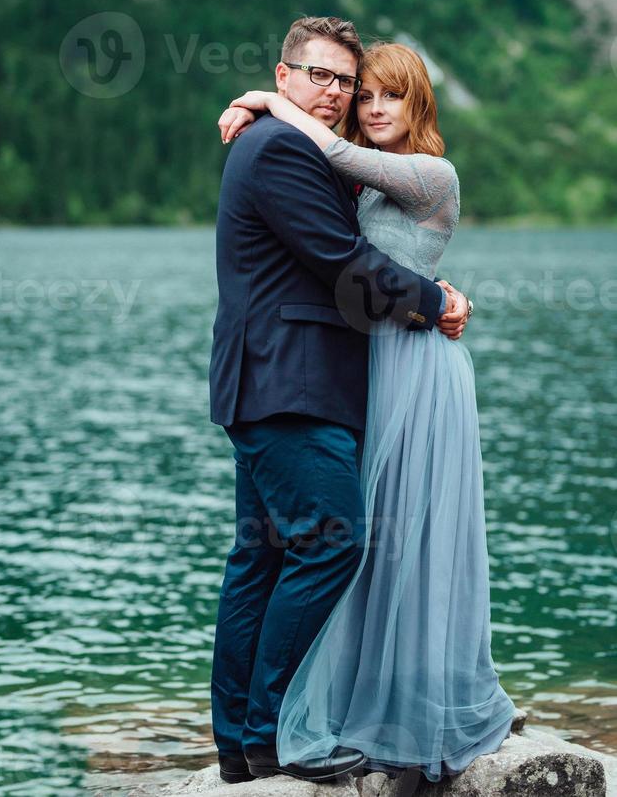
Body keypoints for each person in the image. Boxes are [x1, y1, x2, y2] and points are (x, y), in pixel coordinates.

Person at [219, 40, 516, 783]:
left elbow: (368, 240)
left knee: (364, 545)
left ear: (421, 106)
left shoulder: (420, 173)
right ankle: (268, 733)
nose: (368, 105)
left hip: (400, 373)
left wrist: (266, 100)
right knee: (317, 547)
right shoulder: (302, 155)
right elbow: (343, 258)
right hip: (321, 377)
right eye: (361, 92)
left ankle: (387, 707)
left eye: (383, 94)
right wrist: (267, 102)